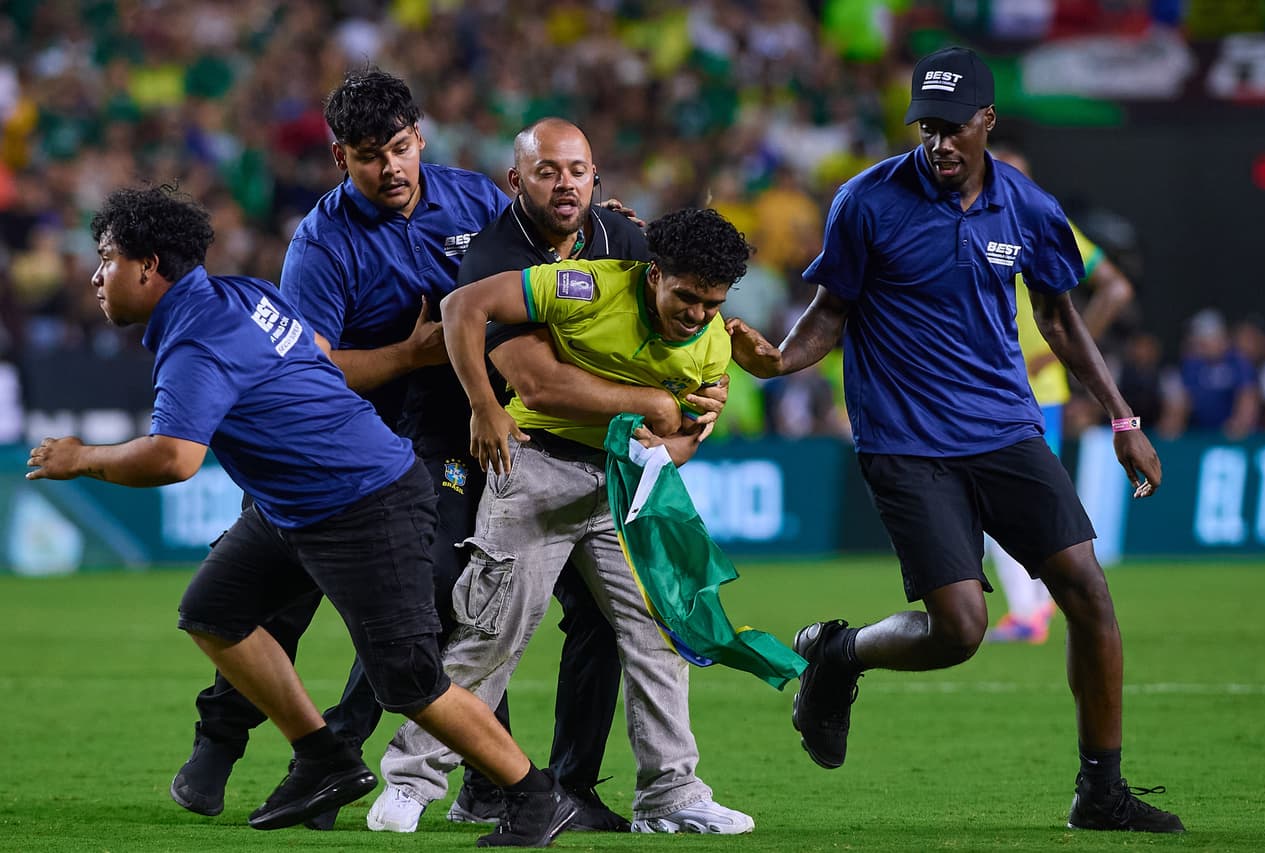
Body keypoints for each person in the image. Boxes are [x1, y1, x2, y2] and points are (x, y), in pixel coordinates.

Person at [170, 69, 691, 833]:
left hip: (445, 439)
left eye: (401, 148)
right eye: (369, 155)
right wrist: (411, 353)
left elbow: (537, 246)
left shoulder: (473, 198)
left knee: (452, 590)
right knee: (277, 600)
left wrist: (594, 224)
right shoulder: (321, 243)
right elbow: (309, 367)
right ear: (340, 157)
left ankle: (482, 775)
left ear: (420, 139)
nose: (391, 168)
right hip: (333, 441)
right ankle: (226, 740)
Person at [26, 184, 577, 847]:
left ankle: (533, 794)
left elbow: (173, 457)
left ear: (147, 267)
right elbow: (315, 357)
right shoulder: (244, 294)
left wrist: (81, 457)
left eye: (106, 258)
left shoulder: (197, 340)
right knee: (214, 609)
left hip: (364, 502)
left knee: (409, 682)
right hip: (297, 506)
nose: (96, 276)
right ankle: (322, 757)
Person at [728, 47, 1184, 833]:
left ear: (987, 121)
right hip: (905, 441)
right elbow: (829, 314)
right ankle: (839, 652)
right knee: (961, 630)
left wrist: (1122, 419)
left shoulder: (1029, 208)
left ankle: (1101, 791)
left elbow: (1060, 318)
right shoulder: (866, 201)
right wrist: (776, 362)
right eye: (927, 128)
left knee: (1089, 593)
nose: (939, 142)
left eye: (953, 127)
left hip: (1004, 429)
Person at [377, 207, 757, 836]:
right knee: (493, 632)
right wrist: (483, 404)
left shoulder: (713, 344)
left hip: (620, 487)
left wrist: (665, 444)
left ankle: (670, 795)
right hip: (537, 468)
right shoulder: (586, 285)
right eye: (686, 297)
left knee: (660, 631)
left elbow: (685, 441)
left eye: (711, 303)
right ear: (655, 273)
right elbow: (462, 306)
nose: (696, 314)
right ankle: (411, 781)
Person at [984, 142, 1136, 644]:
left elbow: (1115, 288)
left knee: (1002, 500)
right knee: (1009, 500)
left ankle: (1030, 611)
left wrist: (1059, 353)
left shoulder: (1039, 223)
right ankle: (1035, 604)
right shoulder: (983, 223)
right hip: (995, 386)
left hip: (1027, 389)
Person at [1159, 308, 1259, 439]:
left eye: (1202, 339)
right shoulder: (1192, 364)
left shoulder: (1238, 362)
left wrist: (1239, 425)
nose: (1197, 342)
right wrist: (1173, 426)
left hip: (1233, 435)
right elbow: (1183, 401)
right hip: (1201, 434)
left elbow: (1248, 397)